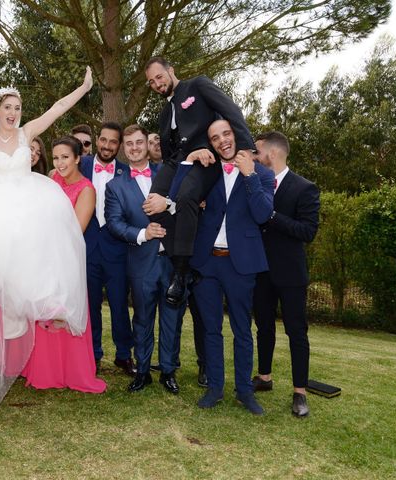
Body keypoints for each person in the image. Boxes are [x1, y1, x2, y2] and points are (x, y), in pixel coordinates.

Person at [0, 68, 94, 425]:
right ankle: (17, 314)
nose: (14, 112)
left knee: (48, 246)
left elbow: (57, 109)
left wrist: (83, 87)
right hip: (0, 206)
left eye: (18, 106)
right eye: (8, 107)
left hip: (29, 200)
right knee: (7, 261)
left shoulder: (26, 132)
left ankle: (49, 305)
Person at [143, 56, 255, 307]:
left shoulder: (198, 85)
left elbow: (231, 110)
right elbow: (168, 150)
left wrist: (246, 147)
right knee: (151, 205)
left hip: (205, 157)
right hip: (178, 162)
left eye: (160, 77)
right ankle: (184, 265)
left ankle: (181, 273)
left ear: (171, 70)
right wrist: (172, 174)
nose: (157, 84)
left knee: (185, 196)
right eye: (151, 82)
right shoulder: (163, 114)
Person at [191, 119, 274, 415]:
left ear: (235, 135)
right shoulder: (207, 172)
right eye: (215, 137)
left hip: (242, 264)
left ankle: (244, 391)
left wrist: (249, 176)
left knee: (242, 330)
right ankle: (215, 388)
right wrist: (189, 160)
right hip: (207, 262)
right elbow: (182, 196)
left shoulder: (262, 174)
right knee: (211, 329)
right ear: (211, 143)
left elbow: (263, 214)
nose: (222, 141)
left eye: (226, 134)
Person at [21, 135, 106, 393]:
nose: (59, 163)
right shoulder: (50, 179)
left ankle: (73, 371)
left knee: (65, 310)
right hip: (44, 256)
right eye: (56, 157)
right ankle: (45, 371)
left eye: (65, 157)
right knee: (45, 311)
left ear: (78, 158)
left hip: (67, 258)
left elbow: (76, 229)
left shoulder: (86, 189)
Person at [105, 124, 184, 394]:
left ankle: (168, 370)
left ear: (147, 145)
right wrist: (142, 233)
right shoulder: (115, 186)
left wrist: (169, 204)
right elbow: (114, 223)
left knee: (172, 318)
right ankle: (142, 371)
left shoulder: (168, 174)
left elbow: (187, 202)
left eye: (139, 142)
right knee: (142, 318)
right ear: (124, 149)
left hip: (173, 260)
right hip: (140, 261)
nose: (135, 148)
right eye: (129, 144)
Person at [252, 131, 320, 417]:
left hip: (290, 274)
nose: (254, 157)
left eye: (257, 152)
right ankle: (264, 377)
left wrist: (272, 216)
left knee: (296, 332)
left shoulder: (305, 188)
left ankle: (299, 392)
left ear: (273, 153)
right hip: (260, 270)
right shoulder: (254, 183)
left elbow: (307, 231)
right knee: (263, 327)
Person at [79, 123, 134, 376]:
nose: (107, 146)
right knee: (90, 305)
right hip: (87, 247)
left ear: (119, 145)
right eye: (103, 140)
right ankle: (92, 354)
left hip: (117, 250)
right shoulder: (82, 165)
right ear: (96, 140)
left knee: (120, 305)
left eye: (113, 142)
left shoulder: (128, 172)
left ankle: (124, 355)